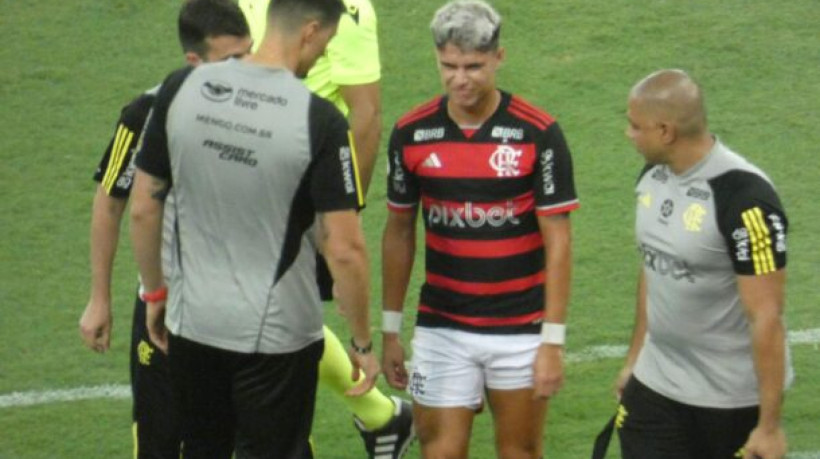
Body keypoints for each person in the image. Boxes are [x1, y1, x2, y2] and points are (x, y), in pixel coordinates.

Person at [128, 0, 379, 456]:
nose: (323, 55)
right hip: (278, 337)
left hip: (193, 324)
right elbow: (344, 248)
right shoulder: (320, 121)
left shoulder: (179, 88)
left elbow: (144, 208)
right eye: (326, 41)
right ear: (309, 31)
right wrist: (361, 342)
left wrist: (156, 294)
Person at [380, 1, 579, 457]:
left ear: (498, 58)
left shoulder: (538, 133)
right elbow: (399, 230)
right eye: (448, 66)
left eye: (473, 66)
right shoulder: (411, 133)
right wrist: (391, 330)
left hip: (521, 329)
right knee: (441, 451)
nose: (459, 78)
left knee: (519, 453)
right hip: (442, 327)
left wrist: (553, 339)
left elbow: (559, 242)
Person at [239, 1, 414, 458]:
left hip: (304, 187)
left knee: (276, 315)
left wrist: (341, 213)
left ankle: (373, 417)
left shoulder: (349, 9)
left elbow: (366, 115)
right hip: (250, 174)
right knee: (279, 312)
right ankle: (382, 417)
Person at [77, 1, 252, 456]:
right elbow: (112, 202)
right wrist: (99, 299)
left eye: (247, 55)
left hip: (247, 306)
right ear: (193, 61)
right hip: (168, 307)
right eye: (229, 61)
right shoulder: (146, 114)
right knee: (160, 437)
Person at [613, 69, 792, 459]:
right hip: (657, 384)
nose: (628, 134)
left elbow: (766, 317)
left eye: (634, 125)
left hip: (728, 400)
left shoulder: (745, 200)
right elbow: (654, 267)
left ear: (665, 131)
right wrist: (635, 361)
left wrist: (769, 426)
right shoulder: (652, 177)